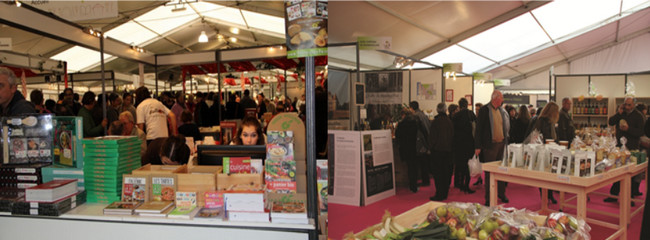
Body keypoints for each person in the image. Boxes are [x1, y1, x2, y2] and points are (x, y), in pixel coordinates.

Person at [605, 96, 645, 203]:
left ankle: (629, 198)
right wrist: (618, 113)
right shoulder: (621, 113)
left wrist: (628, 129)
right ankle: (613, 195)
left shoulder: (639, 116)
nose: (627, 107)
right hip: (619, 147)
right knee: (617, 172)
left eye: (629, 105)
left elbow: (641, 132)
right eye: (625, 104)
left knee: (630, 174)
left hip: (632, 148)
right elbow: (611, 122)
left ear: (634, 105)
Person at [475, 90, 510, 205]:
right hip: (490, 145)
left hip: (501, 144)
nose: (503, 100)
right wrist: (478, 146)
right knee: (490, 173)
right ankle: (489, 198)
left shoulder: (501, 110)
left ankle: (501, 193)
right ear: (495, 98)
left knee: (501, 171)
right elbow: (478, 129)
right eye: (501, 98)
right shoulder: (485, 110)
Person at [532, 102, 560, 204]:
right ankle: (544, 196)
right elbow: (537, 135)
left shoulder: (550, 121)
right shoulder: (542, 120)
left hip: (550, 149)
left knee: (551, 175)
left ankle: (550, 195)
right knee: (543, 175)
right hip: (543, 151)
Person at [429, 103, 454, 201]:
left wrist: (431, 148)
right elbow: (452, 136)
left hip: (438, 151)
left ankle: (439, 193)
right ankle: (445, 192)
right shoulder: (449, 121)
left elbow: (432, 138)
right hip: (448, 151)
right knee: (446, 173)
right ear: (446, 110)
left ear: (437, 110)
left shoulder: (436, 122)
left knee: (438, 174)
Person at [452, 98, 476, 194]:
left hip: (458, 144)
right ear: (467, 104)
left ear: (459, 105)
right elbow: (475, 129)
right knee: (467, 165)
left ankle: (460, 183)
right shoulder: (471, 114)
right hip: (469, 143)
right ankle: (466, 185)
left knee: (460, 165)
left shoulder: (456, 116)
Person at [395, 107, 419, 193]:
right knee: (414, 167)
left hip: (405, 148)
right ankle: (414, 186)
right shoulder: (415, 123)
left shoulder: (401, 124)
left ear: (404, 115)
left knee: (409, 167)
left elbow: (397, 136)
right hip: (414, 147)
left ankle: (411, 185)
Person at [410, 101, 431, 189]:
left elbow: (421, 130)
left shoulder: (415, 116)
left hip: (420, 142)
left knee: (421, 163)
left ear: (411, 108)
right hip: (425, 141)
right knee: (424, 162)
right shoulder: (423, 114)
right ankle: (426, 180)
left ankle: (424, 180)